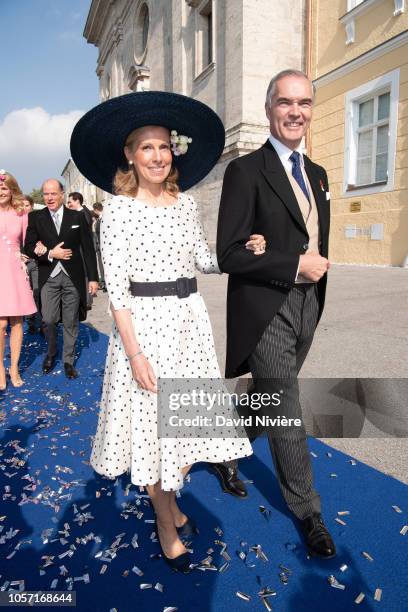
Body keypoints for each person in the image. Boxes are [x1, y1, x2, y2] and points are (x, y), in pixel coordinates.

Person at [70, 91, 266, 573]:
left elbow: (201, 257)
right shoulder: (116, 210)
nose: (157, 156)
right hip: (146, 331)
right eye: (146, 147)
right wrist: (134, 354)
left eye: (164, 146)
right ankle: (163, 519)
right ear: (130, 155)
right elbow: (117, 290)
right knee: (155, 434)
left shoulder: (185, 203)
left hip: (189, 326)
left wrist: (242, 250)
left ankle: (170, 502)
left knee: (185, 428)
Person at [216, 69, 336, 558]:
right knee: (285, 405)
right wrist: (292, 263)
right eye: (285, 103)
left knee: (268, 395)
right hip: (266, 307)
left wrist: (311, 269)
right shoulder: (245, 171)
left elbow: (313, 238)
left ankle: (226, 447)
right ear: (269, 109)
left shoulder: (320, 175)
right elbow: (229, 254)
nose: (295, 112)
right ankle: (309, 511)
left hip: (310, 305)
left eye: (304, 103)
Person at [24, 179, 98, 379]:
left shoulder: (77, 216)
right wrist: (49, 253)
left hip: (72, 276)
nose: (49, 198)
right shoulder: (36, 217)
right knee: (48, 319)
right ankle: (51, 352)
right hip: (48, 275)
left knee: (71, 320)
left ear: (62, 194)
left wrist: (93, 278)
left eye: (53, 193)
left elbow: (88, 249)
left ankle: (68, 360)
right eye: (46, 194)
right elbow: (28, 247)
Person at [0, 171, 37, 389]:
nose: (1, 192)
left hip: (14, 270)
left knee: (16, 322)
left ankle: (13, 367)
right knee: (1, 323)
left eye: (4, 188)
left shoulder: (21, 213)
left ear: (11, 190)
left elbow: (29, 242)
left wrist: (32, 253)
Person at [21, 195, 41, 334]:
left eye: (27, 205)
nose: (24, 208)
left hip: (35, 261)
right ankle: (30, 321)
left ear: (32, 206)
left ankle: (41, 322)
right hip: (20, 263)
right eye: (22, 205)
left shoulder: (38, 220)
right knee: (24, 293)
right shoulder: (15, 220)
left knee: (37, 292)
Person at [92, 202, 106, 291]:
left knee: (103, 266)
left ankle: (105, 284)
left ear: (96, 210)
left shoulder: (104, 219)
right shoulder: (99, 219)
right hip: (100, 247)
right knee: (101, 266)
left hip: (103, 247)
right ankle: (104, 283)